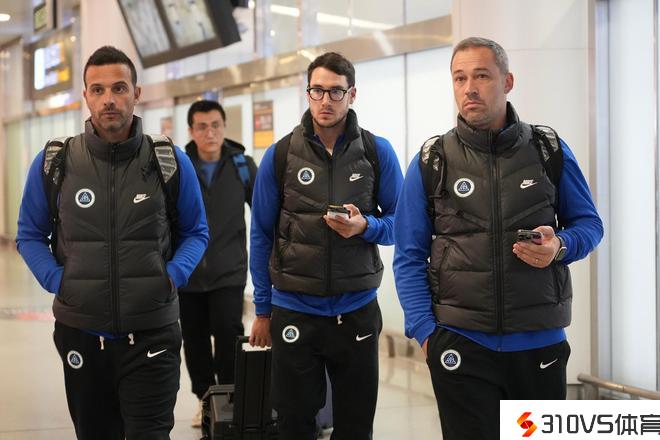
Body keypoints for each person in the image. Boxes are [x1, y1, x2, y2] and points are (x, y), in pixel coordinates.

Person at [393, 37, 604, 440]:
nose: (469, 88)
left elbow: (590, 225)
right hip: (460, 342)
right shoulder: (432, 160)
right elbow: (408, 255)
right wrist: (425, 333)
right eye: (459, 78)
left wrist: (559, 246)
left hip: (538, 341)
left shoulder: (548, 149)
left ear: (507, 81)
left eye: (482, 76)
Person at [16, 46, 209, 439]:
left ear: (136, 93)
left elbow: (196, 231)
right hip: (81, 333)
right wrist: (59, 281)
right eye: (98, 89)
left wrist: (172, 276)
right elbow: (30, 235)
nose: (108, 99)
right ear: (85, 96)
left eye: (119, 88)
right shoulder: (56, 162)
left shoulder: (169, 160)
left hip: (153, 332)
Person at [248, 52, 404, 439]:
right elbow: (262, 234)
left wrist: (366, 226)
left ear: (352, 94)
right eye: (317, 90)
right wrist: (263, 310)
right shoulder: (280, 155)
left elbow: (402, 225)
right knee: (293, 424)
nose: (325, 100)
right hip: (294, 310)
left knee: (355, 425)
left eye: (336, 91)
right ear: (308, 93)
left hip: (356, 310)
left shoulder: (376, 152)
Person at [179, 99, 257, 427]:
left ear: (224, 127)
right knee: (194, 341)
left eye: (215, 126)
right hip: (188, 273)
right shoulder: (179, 167)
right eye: (202, 127)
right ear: (191, 131)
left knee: (228, 335)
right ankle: (205, 399)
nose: (209, 133)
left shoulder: (242, 166)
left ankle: (228, 400)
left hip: (229, 271)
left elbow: (263, 214)